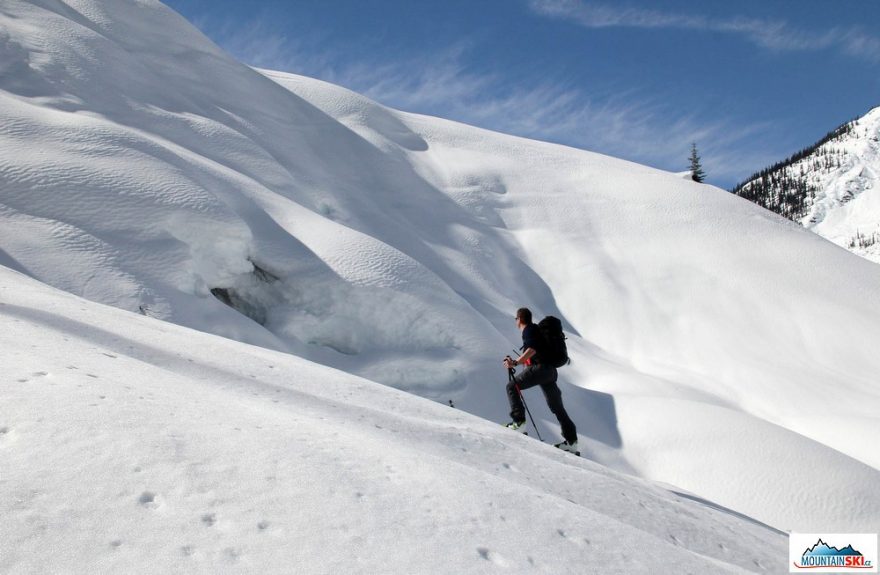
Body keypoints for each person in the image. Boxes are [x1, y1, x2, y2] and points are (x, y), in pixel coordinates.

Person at [503, 308, 579, 454]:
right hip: (550, 372)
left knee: (512, 386)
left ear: (519, 319)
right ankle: (571, 442)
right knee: (557, 407)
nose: (515, 322)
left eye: (515, 319)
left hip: (542, 369)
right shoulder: (538, 332)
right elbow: (534, 353)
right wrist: (519, 362)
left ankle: (518, 422)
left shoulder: (529, 329)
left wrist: (515, 363)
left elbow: (531, 349)